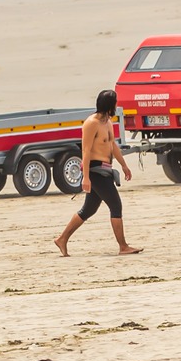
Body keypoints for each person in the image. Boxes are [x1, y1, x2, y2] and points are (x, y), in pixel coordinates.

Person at [55, 90, 140, 256]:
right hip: (95, 171)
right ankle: (123, 246)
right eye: (115, 102)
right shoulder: (91, 123)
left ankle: (62, 239)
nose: (116, 105)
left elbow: (113, 145)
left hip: (106, 169)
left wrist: (124, 165)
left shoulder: (107, 122)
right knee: (116, 205)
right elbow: (85, 151)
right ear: (109, 105)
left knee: (88, 209)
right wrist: (85, 178)